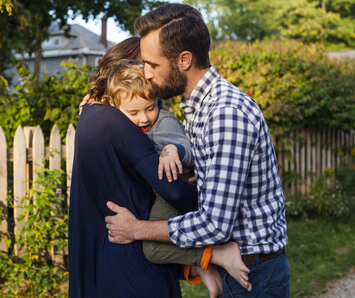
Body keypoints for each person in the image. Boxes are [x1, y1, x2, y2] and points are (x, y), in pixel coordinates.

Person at [105, 3, 290, 297]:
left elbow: (214, 225)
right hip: (242, 270)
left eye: (153, 65)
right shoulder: (199, 108)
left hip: (253, 275)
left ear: (184, 60)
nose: (148, 74)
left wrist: (136, 230)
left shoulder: (225, 114)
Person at [69, 37, 226, 298]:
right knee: (157, 243)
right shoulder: (115, 115)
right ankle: (204, 262)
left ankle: (205, 262)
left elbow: (176, 179)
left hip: (166, 193)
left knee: (158, 240)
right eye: (148, 66)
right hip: (130, 258)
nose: (153, 73)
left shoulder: (148, 116)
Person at [103, 59, 250, 288]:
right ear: (115, 107)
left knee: (152, 249)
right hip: (158, 187)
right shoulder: (120, 119)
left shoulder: (164, 121)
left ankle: (217, 255)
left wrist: (174, 150)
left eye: (150, 108)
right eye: (134, 112)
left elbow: (189, 149)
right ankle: (202, 266)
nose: (144, 118)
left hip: (173, 184)